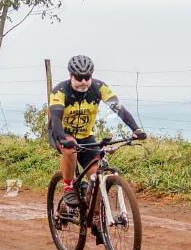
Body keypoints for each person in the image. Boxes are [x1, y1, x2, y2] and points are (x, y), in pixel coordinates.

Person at [48, 55, 146, 230]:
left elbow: (119, 109)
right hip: (61, 133)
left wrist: (135, 129)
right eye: (79, 78)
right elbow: (55, 119)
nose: (83, 82)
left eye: (87, 77)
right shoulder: (60, 91)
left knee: (96, 176)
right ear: (71, 75)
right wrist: (63, 139)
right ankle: (69, 187)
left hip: (86, 136)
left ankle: (93, 216)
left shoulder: (99, 87)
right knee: (70, 148)